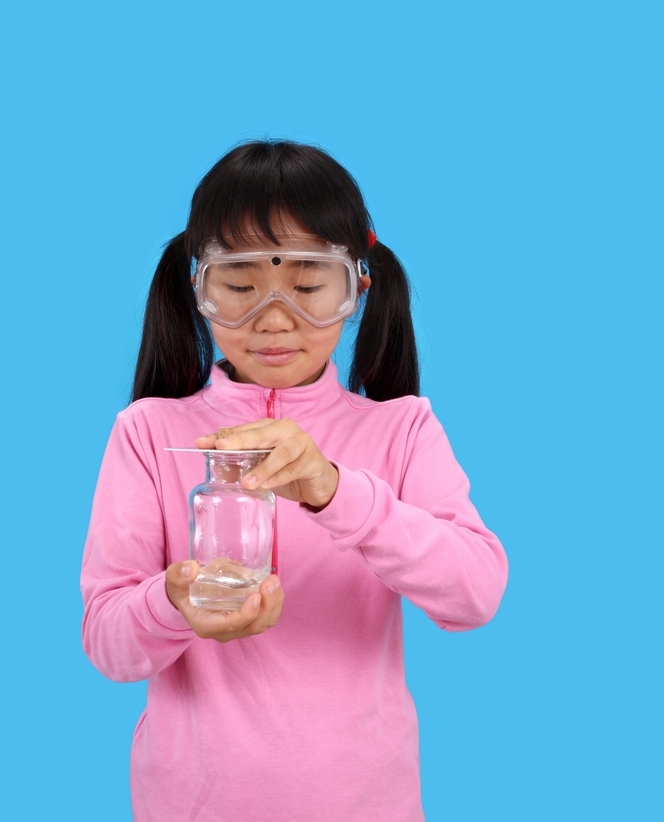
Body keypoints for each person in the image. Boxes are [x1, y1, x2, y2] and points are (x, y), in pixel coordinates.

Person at [80, 140, 508, 821]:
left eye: (309, 288)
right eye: (239, 287)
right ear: (199, 287)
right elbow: (109, 644)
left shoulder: (402, 431)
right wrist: (172, 603)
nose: (275, 319)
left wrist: (335, 490)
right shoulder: (148, 433)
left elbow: (475, 593)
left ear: (357, 285)